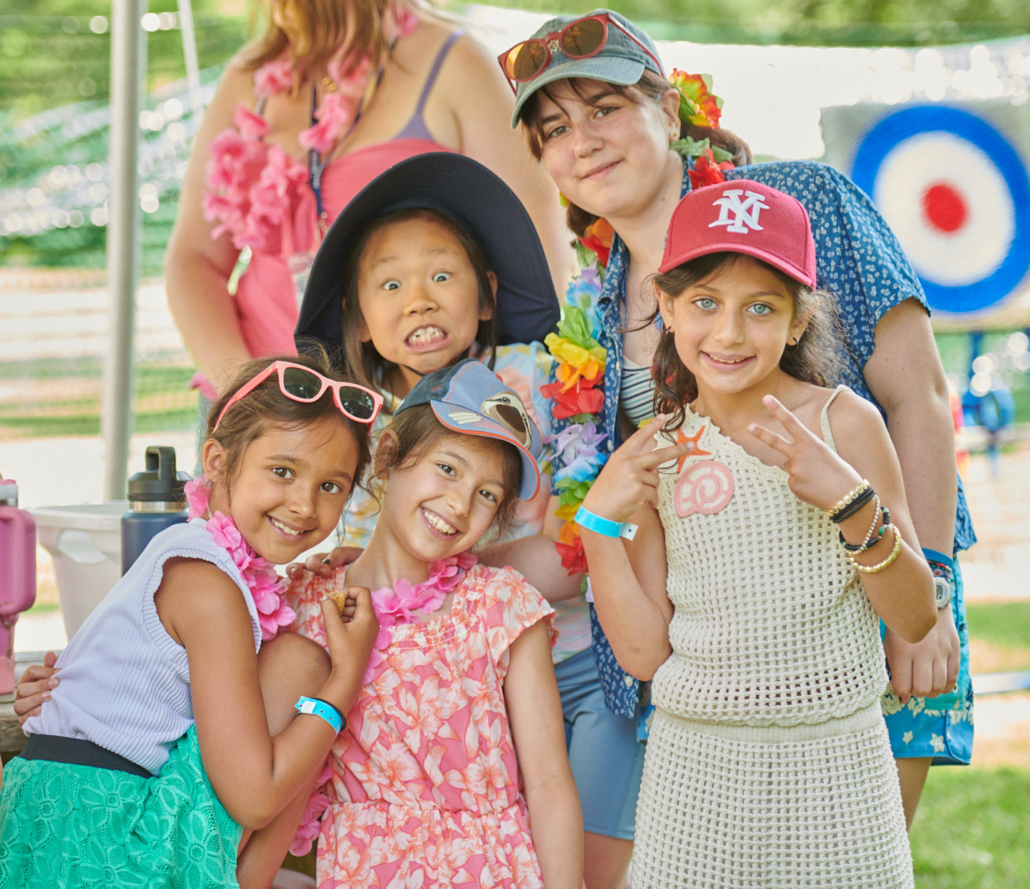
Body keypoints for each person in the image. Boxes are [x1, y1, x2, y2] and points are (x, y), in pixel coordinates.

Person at [505, 8, 974, 841]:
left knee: (848, 859)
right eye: (555, 129)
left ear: (668, 108)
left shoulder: (804, 202)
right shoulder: (595, 307)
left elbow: (919, 399)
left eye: (604, 108)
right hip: (722, 655)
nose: (583, 142)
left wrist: (927, 591)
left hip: (876, 595)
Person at [579, 180, 935, 887]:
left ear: (799, 320)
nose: (730, 333)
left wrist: (851, 504)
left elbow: (915, 614)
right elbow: (645, 654)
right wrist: (597, 528)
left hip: (837, 773)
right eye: (705, 302)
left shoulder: (845, 424)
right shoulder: (659, 450)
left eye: (761, 307)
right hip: (695, 782)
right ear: (667, 308)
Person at [290, 151, 630, 870]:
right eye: (391, 283)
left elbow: (573, 554)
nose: (419, 299)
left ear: (487, 295)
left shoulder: (543, 381)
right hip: (439, 697)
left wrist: (455, 572)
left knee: (588, 850)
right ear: (358, 318)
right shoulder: (352, 425)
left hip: (569, 658)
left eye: (442, 275)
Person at [3, 352, 382, 888]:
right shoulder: (206, 585)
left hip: (56, 822)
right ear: (218, 461)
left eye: (331, 486)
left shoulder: (195, 556)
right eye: (282, 471)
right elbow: (255, 800)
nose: (304, 504)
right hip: (100, 835)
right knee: (302, 665)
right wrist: (345, 678)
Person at [165, 0, 573, 403]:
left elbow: (538, 256)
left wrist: (480, 407)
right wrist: (246, 393)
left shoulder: (456, 62)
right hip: (254, 407)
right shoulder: (247, 79)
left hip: (421, 410)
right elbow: (193, 260)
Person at [288, 359, 583, 887]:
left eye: (488, 494)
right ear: (388, 455)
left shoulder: (501, 604)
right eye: (448, 468)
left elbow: (548, 781)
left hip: (501, 873)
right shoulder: (308, 606)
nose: (460, 503)